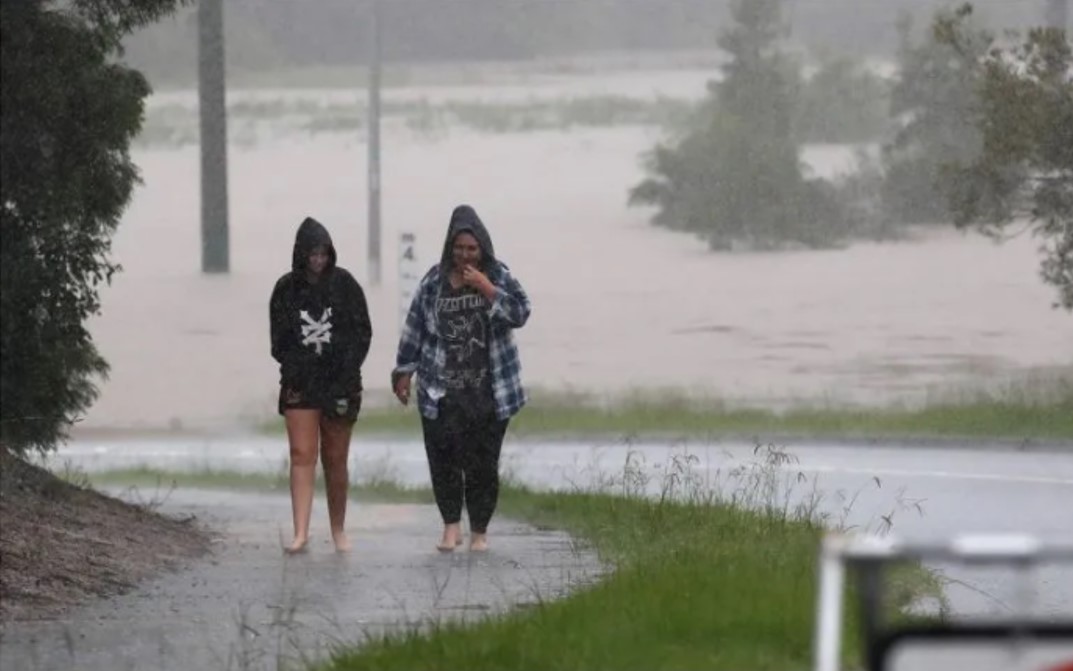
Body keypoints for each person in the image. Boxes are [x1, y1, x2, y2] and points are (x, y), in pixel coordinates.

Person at [392, 204, 531, 553]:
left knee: (483, 464)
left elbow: (521, 312)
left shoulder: (499, 276)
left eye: (471, 249)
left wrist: (486, 288)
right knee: (443, 459)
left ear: (482, 248)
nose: (464, 255)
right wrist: (404, 372)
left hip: (489, 389)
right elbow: (414, 329)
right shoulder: (432, 283)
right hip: (441, 388)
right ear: (449, 248)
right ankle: (450, 526)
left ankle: (479, 531)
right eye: (459, 248)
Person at [270, 216, 372, 554]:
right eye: (312, 254)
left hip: (340, 382)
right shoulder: (285, 289)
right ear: (301, 254)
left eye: (323, 254)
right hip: (301, 382)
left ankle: (338, 529)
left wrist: (342, 369)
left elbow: (362, 334)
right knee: (301, 454)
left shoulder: (346, 286)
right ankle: (300, 532)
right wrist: (300, 365)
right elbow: (278, 341)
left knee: (335, 457)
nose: (318, 260)